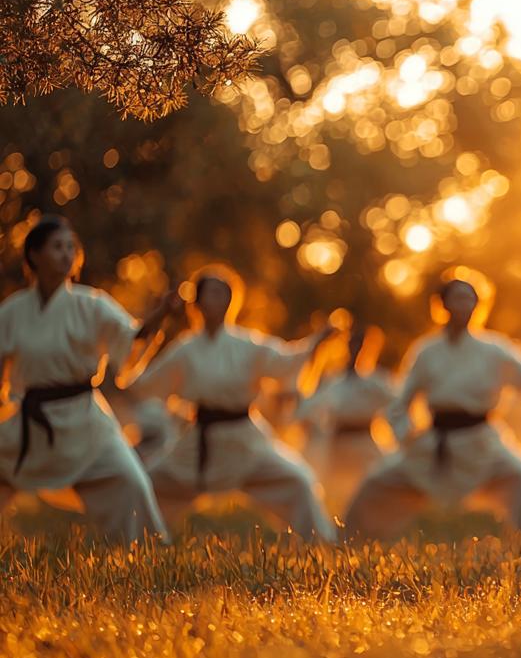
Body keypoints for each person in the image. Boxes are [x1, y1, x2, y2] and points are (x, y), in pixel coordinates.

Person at [343, 277, 521, 540]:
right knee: (375, 484)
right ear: (443, 305)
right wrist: (408, 438)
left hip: (481, 442)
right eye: (458, 298)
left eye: (470, 299)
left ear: (478, 306)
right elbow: (399, 405)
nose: (465, 305)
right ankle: (349, 537)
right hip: (434, 444)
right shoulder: (427, 351)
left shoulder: (493, 349)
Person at [127, 264, 337, 541]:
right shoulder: (186, 349)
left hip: (244, 440)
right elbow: (144, 384)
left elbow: (285, 360)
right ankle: (137, 542)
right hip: (199, 441)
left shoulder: (247, 344)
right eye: (211, 293)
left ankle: (321, 542)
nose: (218, 300)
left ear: (231, 302)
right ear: (198, 302)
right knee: (146, 482)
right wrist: (155, 320)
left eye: (224, 294)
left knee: (298, 481)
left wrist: (317, 342)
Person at [0, 215, 172, 542]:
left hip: (85, 421)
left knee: (130, 479)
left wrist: (159, 315)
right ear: (34, 255)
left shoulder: (91, 305)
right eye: (57, 247)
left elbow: (129, 339)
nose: (67, 255)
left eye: (71, 247)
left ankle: (149, 551)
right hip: (29, 424)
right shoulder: (12, 311)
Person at [295, 324, 396, 513]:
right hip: (337, 443)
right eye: (352, 344)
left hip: (364, 441)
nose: (355, 349)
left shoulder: (376, 381)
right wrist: (311, 427)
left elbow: (397, 406)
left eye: (360, 344)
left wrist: (402, 434)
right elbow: (307, 410)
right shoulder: (334, 380)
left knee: (371, 485)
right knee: (334, 492)